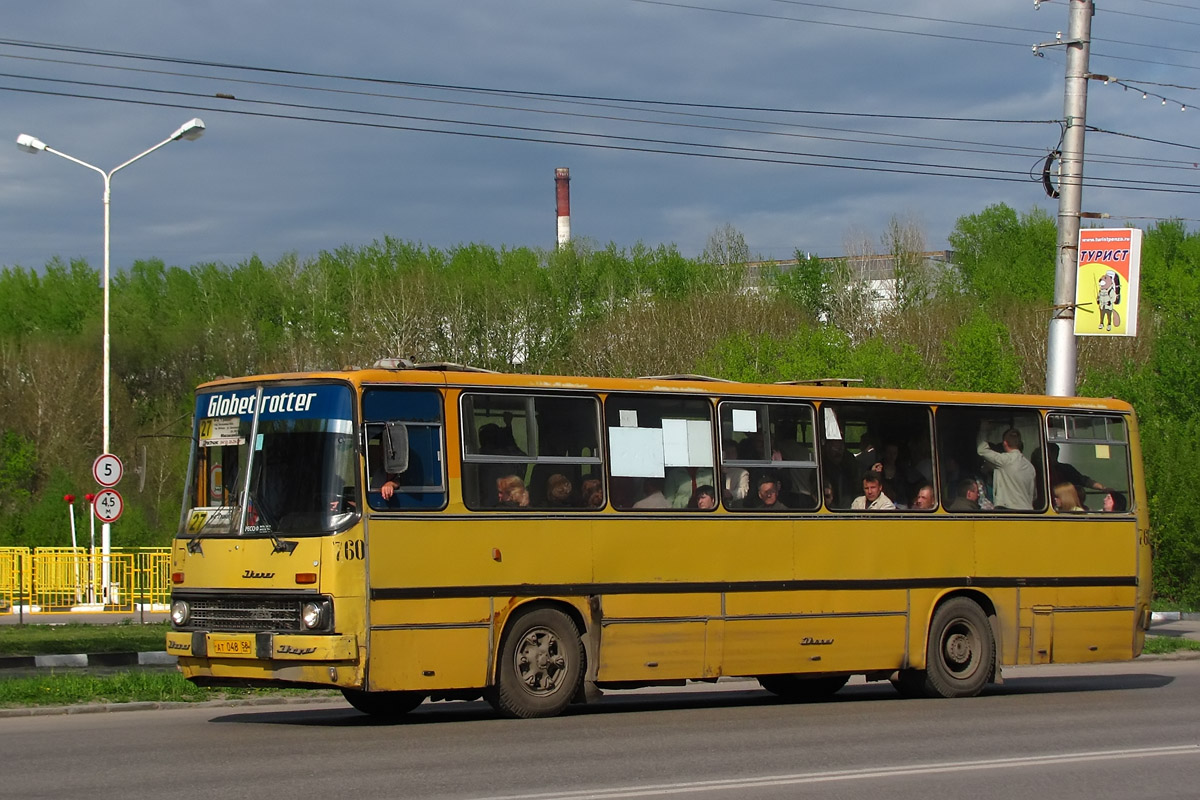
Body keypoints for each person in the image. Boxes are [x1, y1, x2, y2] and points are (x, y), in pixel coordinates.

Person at [976, 427, 1035, 510]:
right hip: (1028, 512)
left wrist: (985, 430)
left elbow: (981, 449)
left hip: (1009, 510)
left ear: (1005, 443)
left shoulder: (1004, 460)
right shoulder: (1030, 467)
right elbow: (1033, 495)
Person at [720, 439, 750, 505]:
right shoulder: (716, 471)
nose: (730, 455)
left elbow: (743, 491)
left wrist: (731, 494)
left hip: (733, 505)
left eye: (733, 452)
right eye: (727, 453)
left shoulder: (742, 473)